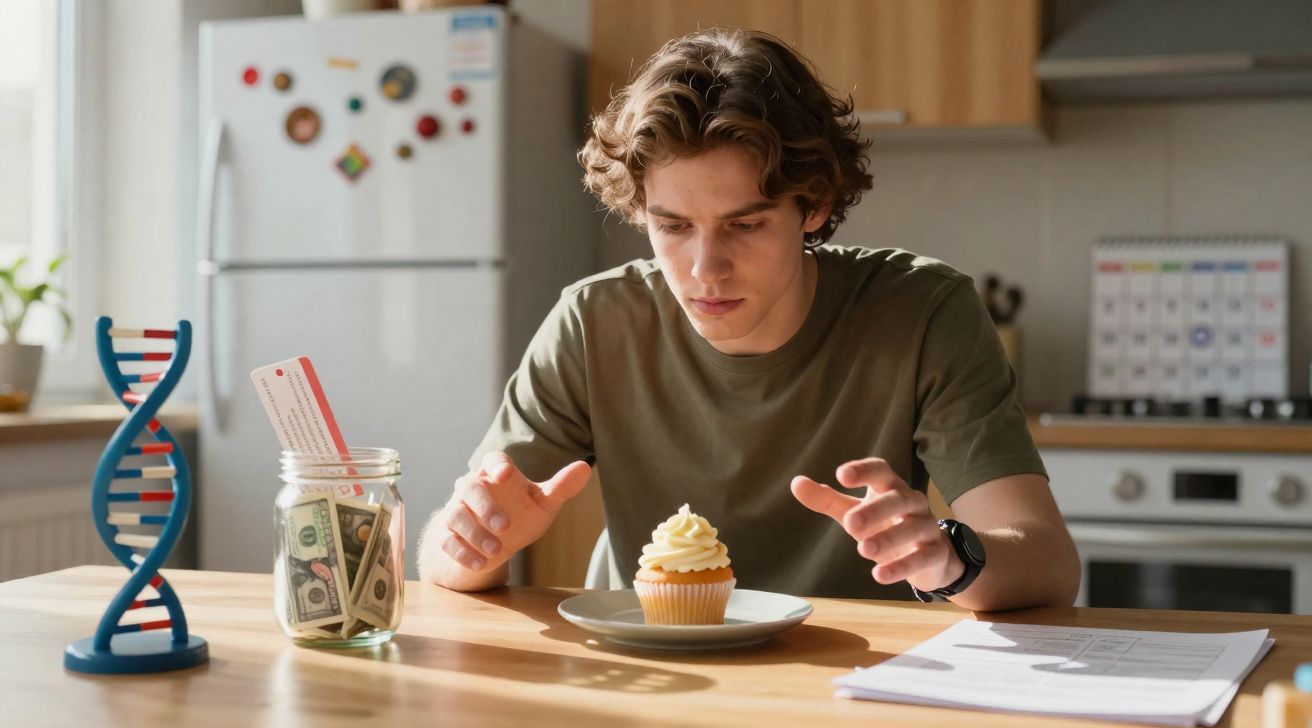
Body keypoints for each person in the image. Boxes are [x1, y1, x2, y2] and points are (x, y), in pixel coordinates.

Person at [418, 27, 1080, 611]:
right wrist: (472, 547)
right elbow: (442, 557)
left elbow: (1048, 563)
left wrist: (950, 557)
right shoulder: (594, 322)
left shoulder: (923, 313)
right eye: (673, 226)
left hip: (854, 680)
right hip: (654, 677)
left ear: (814, 205)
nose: (707, 267)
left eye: (746, 224)